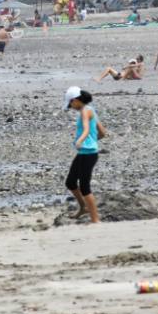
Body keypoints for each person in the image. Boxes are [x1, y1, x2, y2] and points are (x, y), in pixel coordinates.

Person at [64, 86, 102, 223]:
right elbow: (102, 132)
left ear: (75, 100)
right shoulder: (91, 110)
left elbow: (86, 129)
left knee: (85, 186)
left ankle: (95, 220)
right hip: (86, 153)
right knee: (70, 182)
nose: (71, 107)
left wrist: (80, 141)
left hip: (88, 154)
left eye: (70, 104)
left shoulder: (85, 112)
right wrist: (92, 141)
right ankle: (83, 208)